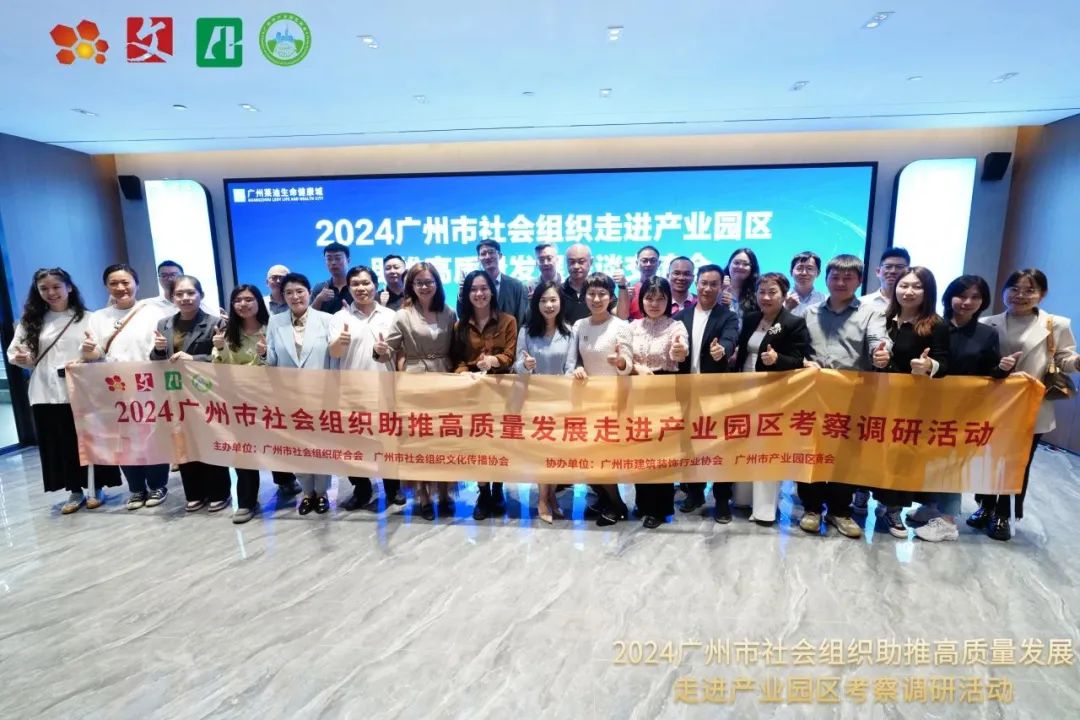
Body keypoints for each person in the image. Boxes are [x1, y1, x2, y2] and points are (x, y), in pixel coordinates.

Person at [909, 275, 1019, 542]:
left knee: (952, 461)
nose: (967, 302)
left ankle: (948, 520)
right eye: (961, 295)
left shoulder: (987, 333)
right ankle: (932, 506)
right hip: (927, 405)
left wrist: (1002, 368)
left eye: (975, 297)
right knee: (930, 458)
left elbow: (990, 371)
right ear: (949, 297)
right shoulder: (933, 326)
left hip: (964, 409)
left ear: (983, 301)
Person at [976, 269, 1080, 541]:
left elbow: (1065, 358)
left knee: (1017, 461)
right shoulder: (988, 322)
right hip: (993, 404)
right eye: (1014, 289)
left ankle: (1004, 513)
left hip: (1031, 405)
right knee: (988, 457)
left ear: (1042, 294)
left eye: (1029, 290)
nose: (1020, 295)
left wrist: (1077, 362)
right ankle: (985, 506)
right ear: (1004, 291)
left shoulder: (1055, 324)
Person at [6, 268, 121, 513]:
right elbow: (15, 352)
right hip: (45, 392)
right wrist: (22, 358)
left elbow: (103, 352)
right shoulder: (30, 321)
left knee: (89, 439)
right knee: (59, 443)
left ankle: (97, 487)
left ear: (69, 287)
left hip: (82, 391)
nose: (51, 293)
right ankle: (74, 490)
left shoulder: (89, 318)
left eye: (56, 287)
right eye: (44, 288)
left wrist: (91, 352)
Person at [799, 254, 891, 539]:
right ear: (826, 279)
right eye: (835, 277)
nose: (840, 282)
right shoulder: (810, 313)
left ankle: (840, 511)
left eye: (848, 278)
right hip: (813, 395)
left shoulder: (871, 314)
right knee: (811, 452)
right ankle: (811, 509)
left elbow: (878, 340)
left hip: (853, 397)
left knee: (846, 455)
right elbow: (797, 346)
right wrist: (802, 361)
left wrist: (881, 353)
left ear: (859, 281)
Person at [82, 264, 173, 510]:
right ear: (106, 286)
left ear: (137, 284)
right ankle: (135, 488)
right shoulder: (98, 317)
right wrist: (89, 352)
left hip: (148, 384)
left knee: (153, 435)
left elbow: (163, 349)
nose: (120, 288)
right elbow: (96, 352)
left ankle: (157, 485)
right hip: (114, 387)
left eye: (126, 282)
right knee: (123, 438)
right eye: (114, 283)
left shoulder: (153, 312)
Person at [875, 266, 950, 539]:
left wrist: (929, 365)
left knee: (901, 456)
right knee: (873, 450)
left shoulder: (935, 324)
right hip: (877, 399)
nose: (908, 291)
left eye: (916, 286)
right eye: (903, 285)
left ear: (927, 291)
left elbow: (945, 363)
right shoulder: (883, 319)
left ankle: (893, 509)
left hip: (912, 405)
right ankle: (871, 498)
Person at [733, 273, 812, 526]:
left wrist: (777, 359)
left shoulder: (793, 322)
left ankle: (764, 509)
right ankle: (743, 498)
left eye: (772, 292)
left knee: (766, 449)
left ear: (784, 295)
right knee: (745, 445)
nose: (766, 297)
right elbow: (743, 351)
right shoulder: (751, 318)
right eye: (762, 292)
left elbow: (799, 359)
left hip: (774, 395)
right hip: (744, 391)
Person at [381, 262, 458, 520]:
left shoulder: (448, 312)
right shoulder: (402, 315)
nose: (425, 287)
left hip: (445, 379)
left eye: (429, 282)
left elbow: (457, 346)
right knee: (418, 440)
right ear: (411, 286)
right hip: (414, 381)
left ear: (437, 283)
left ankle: (445, 492)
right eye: (419, 283)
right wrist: (380, 351)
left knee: (445, 439)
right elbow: (388, 350)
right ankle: (423, 494)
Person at [150, 275, 233, 513]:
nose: (185, 298)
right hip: (176, 393)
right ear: (172, 297)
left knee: (210, 440)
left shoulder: (216, 322)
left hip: (206, 393)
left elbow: (224, 359)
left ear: (201, 295)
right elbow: (156, 360)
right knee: (183, 442)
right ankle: (194, 492)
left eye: (190, 293)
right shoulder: (164, 324)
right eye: (179, 294)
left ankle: (219, 492)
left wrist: (194, 359)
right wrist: (158, 350)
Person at [331, 265, 402, 512]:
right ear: (349, 288)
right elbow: (334, 353)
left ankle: (393, 488)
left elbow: (398, 352)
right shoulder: (340, 318)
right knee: (354, 444)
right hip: (352, 392)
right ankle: (361, 489)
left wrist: (385, 351)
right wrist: (340, 342)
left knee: (388, 441)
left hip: (385, 388)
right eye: (355, 284)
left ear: (375, 285)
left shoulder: (390, 316)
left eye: (366, 283)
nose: (361, 288)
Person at [264, 272, 335, 515]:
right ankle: (307, 492)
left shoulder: (326, 319)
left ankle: (322, 492)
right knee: (297, 447)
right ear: (283, 296)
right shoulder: (276, 322)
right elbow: (271, 361)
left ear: (309, 292)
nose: (295, 297)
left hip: (321, 394)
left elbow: (334, 358)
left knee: (322, 445)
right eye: (289, 293)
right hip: (289, 396)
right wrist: (263, 353)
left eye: (299, 291)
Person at [565, 272, 633, 526]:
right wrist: (577, 369)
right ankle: (605, 500)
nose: (596, 299)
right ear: (584, 296)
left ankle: (617, 505)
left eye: (602, 294)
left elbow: (628, 365)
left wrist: (621, 362)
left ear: (611, 297)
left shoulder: (620, 326)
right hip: (586, 401)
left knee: (604, 457)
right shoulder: (579, 326)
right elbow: (574, 360)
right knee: (589, 456)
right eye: (591, 293)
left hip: (613, 401)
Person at [452, 269, 518, 520]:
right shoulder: (460, 325)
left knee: (499, 442)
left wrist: (493, 361)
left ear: (492, 291)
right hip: (472, 391)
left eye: (483, 288)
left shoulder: (508, 321)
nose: (479, 294)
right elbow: (457, 358)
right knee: (477, 442)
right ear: (467, 294)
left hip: (501, 390)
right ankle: (483, 492)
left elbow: (510, 355)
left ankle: (498, 488)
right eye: (473, 289)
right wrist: (462, 373)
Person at [676, 265, 740, 521]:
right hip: (686, 391)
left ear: (721, 287)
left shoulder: (728, 317)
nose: (708, 288)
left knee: (720, 446)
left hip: (716, 393)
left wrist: (722, 350)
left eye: (714, 284)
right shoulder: (681, 316)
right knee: (690, 445)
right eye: (704, 283)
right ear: (696, 283)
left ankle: (722, 500)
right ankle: (695, 493)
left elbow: (730, 339)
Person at [627, 277, 688, 528]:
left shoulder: (676, 326)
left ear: (668, 300)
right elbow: (625, 358)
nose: (654, 303)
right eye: (649, 298)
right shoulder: (631, 327)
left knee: (661, 452)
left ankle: (660, 508)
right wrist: (637, 368)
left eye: (660, 298)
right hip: (637, 391)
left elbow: (680, 351)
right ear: (641, 300)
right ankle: (642, 502)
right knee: (639, 450)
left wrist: (679, 351)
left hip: (664, 391)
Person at [514, 281, 574, 523]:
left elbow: (570, 366)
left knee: (558, 453)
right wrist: (525, 365)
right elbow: (517, 367)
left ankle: (552, 497)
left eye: (553, 300)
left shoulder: (569, 331)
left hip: (562, 400)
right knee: (542, 452)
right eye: (543, 300)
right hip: (536, 400)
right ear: (536, 303)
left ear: (560, 303)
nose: (549, 305)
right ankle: (542, 499)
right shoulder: (526, 332)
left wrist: (569, 380)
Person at [212, 285, 270, 523]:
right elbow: (220, 369)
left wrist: (263, 356)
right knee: (243, 450)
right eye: (238, 300)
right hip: (239, 403)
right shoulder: (225, 333)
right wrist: (220, 349)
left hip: (271, 400)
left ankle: (286, 480)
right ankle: (247, 501)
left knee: (280, 444)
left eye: (249, 299)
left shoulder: (273, 328)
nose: (243, 304)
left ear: (258, 301)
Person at [476, 239, 527, 328]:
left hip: (511, 335)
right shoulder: (475, 287)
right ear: (478, 258)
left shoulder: (516, 285)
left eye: (491, 252)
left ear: (499, 256)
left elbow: (521, 318)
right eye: (483, 254)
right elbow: (464, 315)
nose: (487, 257)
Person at [614, 245, 661, 320]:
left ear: (659, 263)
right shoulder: (630, 287)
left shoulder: (666, 287)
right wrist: (626, 297)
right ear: (637, 263)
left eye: (653, 260)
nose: (648, 264)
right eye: (644, 261)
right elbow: (621, 317)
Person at [859, 247, 910, 312]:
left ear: (909, 272)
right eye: (888, 266)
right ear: (878, 272)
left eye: (899, 267)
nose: (893, 271)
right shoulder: (862, 303)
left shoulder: (915, 305)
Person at [310, 242, 352, 315]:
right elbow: (309, 316)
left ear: (348, 260)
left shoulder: (356, 287)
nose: (333, 263)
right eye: (329, 259)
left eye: (338, 258)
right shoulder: (320, 288)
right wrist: (319, 299)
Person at [725, 247, 760, 326]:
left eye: (745, 264)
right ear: (729, 264)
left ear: (752, 268)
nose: (740, 267)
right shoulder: (717, 289)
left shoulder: (758, 293)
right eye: (736, 263)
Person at [784, 251, 827, 318]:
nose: (804, 273)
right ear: (791, 272)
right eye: (799, 268)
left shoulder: (826, 301)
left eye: (810, 268)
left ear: (818, 273)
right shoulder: (780, 300)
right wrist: (786, 309)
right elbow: (772, 324)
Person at [560, 243, 593, 323]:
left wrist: (621, 286)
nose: (576, 266)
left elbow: (620, 315)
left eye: (581, 262)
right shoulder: (558, 291)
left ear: (591, 262)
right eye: (572, 262)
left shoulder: (600, 289)